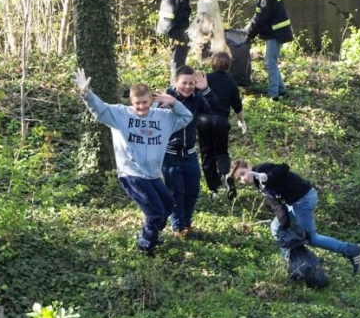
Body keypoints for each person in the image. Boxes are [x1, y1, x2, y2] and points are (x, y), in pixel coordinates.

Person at [74, 68, 193, 256]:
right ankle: (145, 248)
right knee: (155, 212)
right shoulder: (121, 115)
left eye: (145, 102)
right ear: (131, 101)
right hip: (132, 174)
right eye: (137, 103)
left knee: (168, 205)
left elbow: (187, 117)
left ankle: (152, 234)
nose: (141, 107)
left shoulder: (163, 117)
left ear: (151, 100)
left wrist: (173, 102)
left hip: (152, 174)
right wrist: (86, 93)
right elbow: (100, 110)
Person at [229, 159, 360, 275]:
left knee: (311, 238)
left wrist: (266, 176)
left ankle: (351, 250)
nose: (243, 179)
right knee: (276, 227)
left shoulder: (262, 169)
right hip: (293, 203)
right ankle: (291, 265)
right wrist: (285, 225)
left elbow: (283, 168)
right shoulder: (258, 184)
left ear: (249, 167)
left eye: (243, 173)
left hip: (304, 199)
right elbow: (276, 205)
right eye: (239, 179)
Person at [162, 65, 219, 238]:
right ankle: (179, 227)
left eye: (191, 83)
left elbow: (215, 108)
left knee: (192, 191)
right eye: (184, 83)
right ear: (175, 82)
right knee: (176, 192)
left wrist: (206, 90)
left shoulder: (197, 98)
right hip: (170, 154)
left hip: (190, 153)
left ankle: (186, 224)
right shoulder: (166, 99)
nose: (187, 87)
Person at [196, 52, 246, 197]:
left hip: (203, 120)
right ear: (229, 65)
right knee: (222, 152)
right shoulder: (231, 82)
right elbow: (237, 106)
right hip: (221, 121)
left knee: (207, 154)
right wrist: (242, 121)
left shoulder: (205, 79)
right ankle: (226, 176)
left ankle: (214, 189)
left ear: (212, 64)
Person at [242, 0, 293, 100]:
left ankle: (273, 95)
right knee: (272, 61)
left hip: (276, 32)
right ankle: (281, 90)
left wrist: (250, 34)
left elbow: (262, 17)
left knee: (270, 62)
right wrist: (249, 27)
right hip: (277, 31)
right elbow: (259, 13)